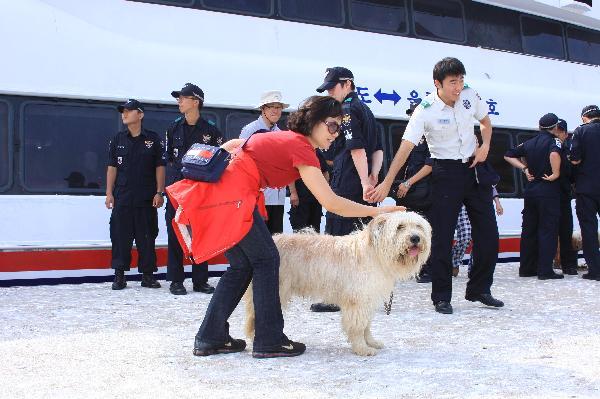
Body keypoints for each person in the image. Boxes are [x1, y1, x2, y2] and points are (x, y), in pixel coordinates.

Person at [165, 96, 403, 358]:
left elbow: (233, 145)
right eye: (332, 126)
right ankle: (269, 340)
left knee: (242, 266)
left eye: (339, 128)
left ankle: (210, 336)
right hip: (233, 199)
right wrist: (379, 211)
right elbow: (331, 202)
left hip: (223, 197)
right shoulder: (301, 147)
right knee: (267, 260)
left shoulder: (284, 139)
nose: (336, 134)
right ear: (313, 122)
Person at [368, 57, 503, 314]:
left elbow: (485, 123)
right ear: (437, 83)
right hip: (446, 172)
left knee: (488, 234)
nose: (458, 87)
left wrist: (485, 146)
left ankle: (480, 289)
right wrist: (387, 182)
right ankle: (441, 296)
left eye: (461, 80)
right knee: (442, 237)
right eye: (453, 82)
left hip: (474, 171)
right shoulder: (425, 109)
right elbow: (405, 147)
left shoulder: (469, 96)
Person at [312, 66, 383, 313]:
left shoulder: (348, 110)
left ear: (347, 84)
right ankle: (362, 292)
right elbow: (378, 149)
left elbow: (356, 149)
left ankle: (334, 297)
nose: (330, 93)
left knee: (337, 242)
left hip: (349, 183)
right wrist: (374, 177)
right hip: (365, 184)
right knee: (362, 241)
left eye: (333, 87)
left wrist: (364, 181)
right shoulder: (367, 110)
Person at [165, 83, 224, 295]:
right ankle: (176, 280)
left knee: (201, 233)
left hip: (200, 192)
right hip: (177, 190)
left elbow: (220, 163)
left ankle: (200, 280)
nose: (179, 101)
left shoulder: (211, 131)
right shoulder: (173, 128)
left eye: (183, 98)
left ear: (196, 101)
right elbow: (169, 160)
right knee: (175, 233)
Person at [105, 99, 165, 290]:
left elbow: (160, 167)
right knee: (120, 237)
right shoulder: (117, 139)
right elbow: (112, 167)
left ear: (140, 115)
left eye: (129, 111)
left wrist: (159, 192)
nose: (124, 114)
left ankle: (147, 276)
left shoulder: (153, 139)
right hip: (122, 197)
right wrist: (108, 193)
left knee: (146, 237)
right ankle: (119, 276)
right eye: (123, 111)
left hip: (146, 198)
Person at [504, 113, 563, 280]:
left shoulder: (529, 142)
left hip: (531, 191)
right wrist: (556, 173)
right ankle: (545, 271)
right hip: (548, 190)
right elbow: (554, 154)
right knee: (547, 229)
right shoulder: (554, 141)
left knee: (529, 230)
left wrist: (524, 169)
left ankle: (526, 269)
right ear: (555, 127)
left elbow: (508, 155)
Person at [392, 103, 433, 283]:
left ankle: (428, 270)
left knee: (424, 230)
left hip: (425, 191)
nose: (411, 119)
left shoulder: (432, 136)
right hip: (412, 192)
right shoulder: (411, 138)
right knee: (408, 230)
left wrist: (408, 183)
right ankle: (413, 267)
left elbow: (430, 165)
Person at [240, 91, 290, 234]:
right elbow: (241, 161)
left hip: (278, 197)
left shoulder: (281, 133)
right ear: (263, 109)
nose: (276, 110)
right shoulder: (250, 130)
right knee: (259, 240)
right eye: (271, 106)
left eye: (279, 107)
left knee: (276, 241)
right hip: (257, 197)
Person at [568, 105, 600, 281]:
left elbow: (575, 158)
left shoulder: (581, 132)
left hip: (586, 188)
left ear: (583, 117)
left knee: (589, 228)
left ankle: (595, 271)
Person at [452, 187, 503, 277]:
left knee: (480, 237)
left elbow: (491, 185)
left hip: (480, 203)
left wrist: (498, 203)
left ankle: (473, 268)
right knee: (466, 236)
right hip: (460, 203)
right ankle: (454, 262)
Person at [555, 118, 578, 275]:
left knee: (565, 229)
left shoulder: (570, 147)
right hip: (552, 194)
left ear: (565, 132)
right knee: (550, 230)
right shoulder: (551, 145)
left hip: (563, 194)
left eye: (558, 131)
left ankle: (568, 264)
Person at [288, 149, 329, 232]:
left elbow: (325, 173)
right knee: (299, 230)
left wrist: (324, 191)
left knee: (315, 230)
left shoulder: (317, 152)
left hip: (316, 198)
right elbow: (289, 174)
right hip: (300, 198)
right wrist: (293, 192)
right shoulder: (296, 150)